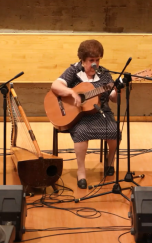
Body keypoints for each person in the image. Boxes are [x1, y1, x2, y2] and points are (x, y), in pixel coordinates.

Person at [50, 40, 118, 189]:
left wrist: (118, 89)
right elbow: (55, 85)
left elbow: (113, 98)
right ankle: (81, 171)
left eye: (97, 60)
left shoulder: (104, 74)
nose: (95, 64)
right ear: (82, 60)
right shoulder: (74, 70)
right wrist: (71, 92)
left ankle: (110, 160)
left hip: (101, 111)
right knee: (81, 132)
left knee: (114, 131)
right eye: (91, 60)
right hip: (78, 115)